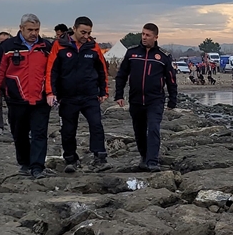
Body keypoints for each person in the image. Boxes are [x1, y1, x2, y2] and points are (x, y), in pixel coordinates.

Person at [0, 14, 54, 178]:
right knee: (19, 133)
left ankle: (37, 167)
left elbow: (52, 72)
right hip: (16, 98)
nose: (34, 33)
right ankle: (25, 163)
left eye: (36, 30)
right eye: (30, 30)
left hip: (41, 99)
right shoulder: (7, 46)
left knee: (39, 133)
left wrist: (52, 92)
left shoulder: (45, 47)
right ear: (21, 29)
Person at [46, 16, 109, 172]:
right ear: (73, 29)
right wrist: (50, 92)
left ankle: (100, 157)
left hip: (90, 95)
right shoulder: (59, 45)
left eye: (89, 33)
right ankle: (70, 159)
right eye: (83, 32)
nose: (86, 36)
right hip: (67, 97)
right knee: (68, 130)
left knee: (96, 125)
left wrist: (104, 91)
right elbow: (51, 71)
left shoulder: (93, 47)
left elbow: (102, 70)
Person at [114, 23, 177, 172]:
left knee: (153, 128)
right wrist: (119, 95)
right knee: (139, 131)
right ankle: (144, 157)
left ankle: (153, 161)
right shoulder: (132, 53)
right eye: (143, 34)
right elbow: (121, 75)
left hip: (155, 100)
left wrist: (173, 100)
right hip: (136, 99)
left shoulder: (163, 56)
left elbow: (171, 80)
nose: (144, 37)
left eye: (147, 35)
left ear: (155, 37)